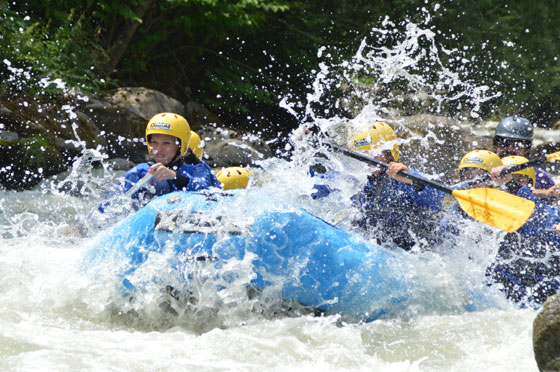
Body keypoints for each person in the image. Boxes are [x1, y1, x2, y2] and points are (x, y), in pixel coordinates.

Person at [443, 149, 560, 305]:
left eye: (480, 176)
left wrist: (511, 184)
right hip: (486, 292)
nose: (475, 182)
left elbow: (543, 219)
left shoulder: (514, 206)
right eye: (469, 177)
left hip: (526, 288)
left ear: (494, 182)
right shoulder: (455, 216)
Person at [99, 112, 221, 212]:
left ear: (180, 146)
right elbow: (108, 204)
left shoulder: (197, 170)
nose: (158, 149)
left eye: (166, 143)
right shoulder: (141, 171)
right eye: (155, 142)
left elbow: (208, 192)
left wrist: (174, 177)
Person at [350, 122, 444, 251]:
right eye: (364, 152)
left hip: (412, 252)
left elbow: (435, 198)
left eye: (375, 152)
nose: (369, 157)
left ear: (389, 154)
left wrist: (412, 180)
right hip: (377, 249)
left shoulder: (402, 179)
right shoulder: (359, 182)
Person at [493, 116, 558, 201]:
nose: (510, 148)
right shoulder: (481, 167)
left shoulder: (541, 177)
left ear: (527, 148)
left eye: (517, 144)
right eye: (505, 142)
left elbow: (551, 211)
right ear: (496, 144)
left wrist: (549, 193)